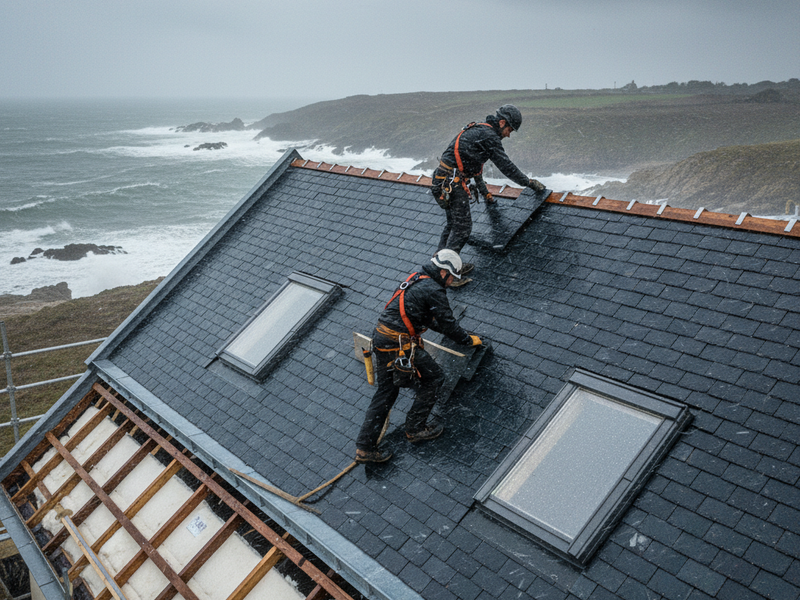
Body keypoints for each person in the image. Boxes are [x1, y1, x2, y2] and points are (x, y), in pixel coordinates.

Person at [355, 249, 483, 463]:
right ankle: (415, 428)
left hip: (383, 339)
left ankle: (365, 448)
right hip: (398, 345)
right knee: (434, 377)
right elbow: (446, 322)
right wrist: (467, 340)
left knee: (386, 393)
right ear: (443, 272)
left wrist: (457, 335)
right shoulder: (434, 290)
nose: (451, 283)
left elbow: (428, 320)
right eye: (451, 277)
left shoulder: (416, 279)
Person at [431, 104, 546, 286]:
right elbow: (506, 167)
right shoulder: (489, 136)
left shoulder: (479, 131)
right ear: (501, 122)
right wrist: (529, 183)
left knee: (453, 224)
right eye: (509, 129)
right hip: (451, 184)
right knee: (462, 228)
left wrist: (485, 193)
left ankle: (438, 267)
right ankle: (445, 273)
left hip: (442, 181)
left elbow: (474, 168)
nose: (508, 134)